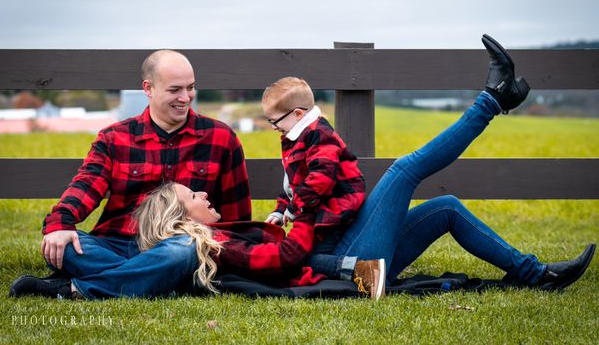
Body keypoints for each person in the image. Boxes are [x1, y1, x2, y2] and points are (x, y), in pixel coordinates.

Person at [136, 34, 595, 297]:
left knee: (447, 206)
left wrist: (287, 208)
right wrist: (301, 211)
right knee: (403, 171)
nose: (202, 194)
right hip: (358, 264)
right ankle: (492, 100)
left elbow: (294, 214)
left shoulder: (228, 230)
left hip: (352, 249)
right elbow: (291, 258)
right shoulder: (217, 244)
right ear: (185, 221)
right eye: (192, 198)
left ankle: (536, 275)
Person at [9, 49, 252, 299]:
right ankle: (162, 282)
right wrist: (60, 223)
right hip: (117, 243)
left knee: (186, 251)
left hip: (178, 244)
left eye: (190, 88)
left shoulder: (221, 138)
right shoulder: (115, 137)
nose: (185, 97)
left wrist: (232, 249)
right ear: (148, 88)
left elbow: (237, 216)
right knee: (63, 246)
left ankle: (72, 288)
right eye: (174, 90)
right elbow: (87, 184)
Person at [261, 76, 373, 288]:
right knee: (300, 255)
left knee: (306, 259)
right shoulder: (296, 134)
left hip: (336, 208)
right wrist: (280, 210)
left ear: (297, 114)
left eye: (274, 121)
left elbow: (320, 178)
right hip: (316, 209)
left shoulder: (319, 134)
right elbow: (293, 183)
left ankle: (360, 268)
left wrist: (294, 208)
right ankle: (347, 264)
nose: (273, 126)